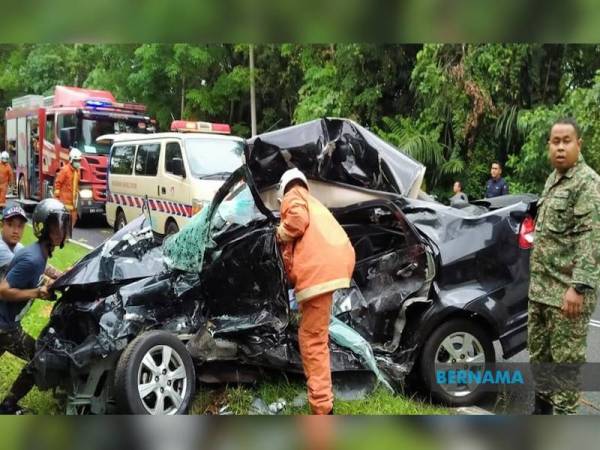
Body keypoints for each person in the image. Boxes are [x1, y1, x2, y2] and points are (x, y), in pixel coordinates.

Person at [528, 117, 600, 415]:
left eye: (566, 141)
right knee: (540, 363)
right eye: (555, 141)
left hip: (567, 297)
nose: (560, 147)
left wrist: (578, 286)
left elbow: (592, 237)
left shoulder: (588, 183)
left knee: (566, 372)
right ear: (549, 146)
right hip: (541, 292)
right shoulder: (554, 179)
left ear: (578, 144)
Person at [276, 168, 356, 415]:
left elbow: (296, 222)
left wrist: (277, 234)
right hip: (329, 269)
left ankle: (322, 409)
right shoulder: (311, 200)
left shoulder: (294, 195)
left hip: (318, 272)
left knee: (312, 340)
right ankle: (322, 401)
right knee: (313, 335)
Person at [0, 199, 70, 414]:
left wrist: (63, 277)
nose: (62, 231)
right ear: (44, 228)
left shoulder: (36, 253)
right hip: (5, 326)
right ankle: (8, 407)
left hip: (7, 322)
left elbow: (42, 270)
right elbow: (3, 290)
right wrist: (36, 293)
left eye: (63, 225)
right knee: (40, 357)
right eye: (56, 226)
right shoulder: (31, 258)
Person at [54, 148, 81, 233]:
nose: (78, 162)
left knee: (73, 218)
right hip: (64, 202)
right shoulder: (65, 170)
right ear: (72, 160)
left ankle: (67, 235)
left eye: (79, 160)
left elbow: (76, 185)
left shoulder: (77, 171)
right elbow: (58, 183)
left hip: (73, 202)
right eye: (77, 160)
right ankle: (63, 235)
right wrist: (57, 198)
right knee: (64, 220)